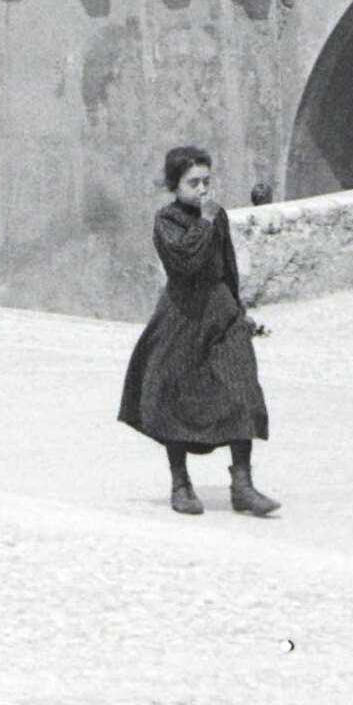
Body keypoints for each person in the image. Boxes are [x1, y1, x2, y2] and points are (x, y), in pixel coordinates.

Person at [118, 142, 274, 516]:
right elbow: (185, 262)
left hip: (222, 314)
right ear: (175, 185)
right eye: (193, 183)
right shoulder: (166, 222)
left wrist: (239, 309)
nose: (203, 189)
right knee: (176, 396)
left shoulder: (217, 217)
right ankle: (181, 484)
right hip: (182, 316)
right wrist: (204, 221)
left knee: (242, 389)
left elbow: (227, 264)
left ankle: (243, 485)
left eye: (206, 181)